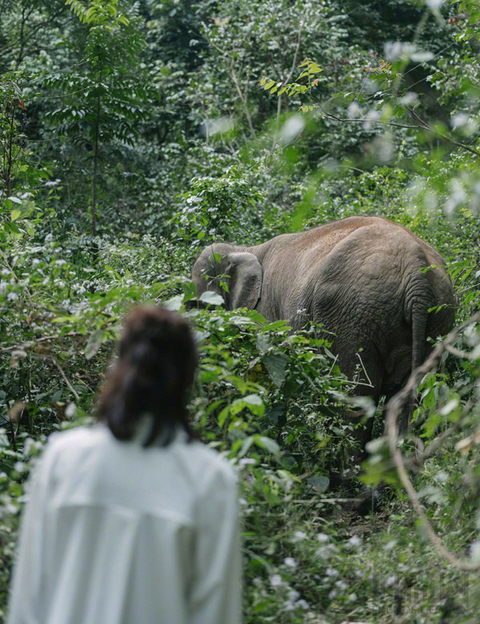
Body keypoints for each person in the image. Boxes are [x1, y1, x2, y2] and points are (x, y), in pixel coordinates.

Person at [8, 306, 242, 624]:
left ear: (118, 367)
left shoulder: (62, 460)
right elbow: (215, 613)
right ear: (188, 378)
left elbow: (27, 600)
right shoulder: (211, 481)